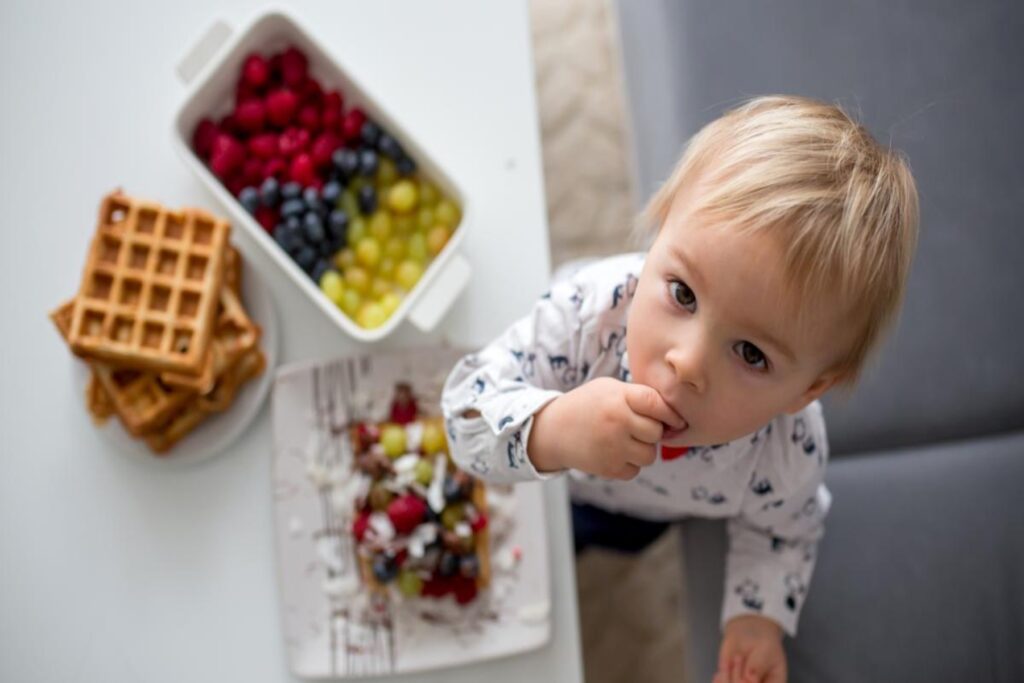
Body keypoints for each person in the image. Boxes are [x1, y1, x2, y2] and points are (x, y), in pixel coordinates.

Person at [441, 95, 919, 683]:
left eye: (751, 353)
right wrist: (554, 429)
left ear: (808, 390)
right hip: (537, 424)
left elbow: (785, 527)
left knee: (594, 540)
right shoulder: (588, 316)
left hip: (638, 511)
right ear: (660, 229)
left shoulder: (788, 451)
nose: (687, 363)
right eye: (683, 294)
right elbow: (463, 417)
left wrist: (756, 618)